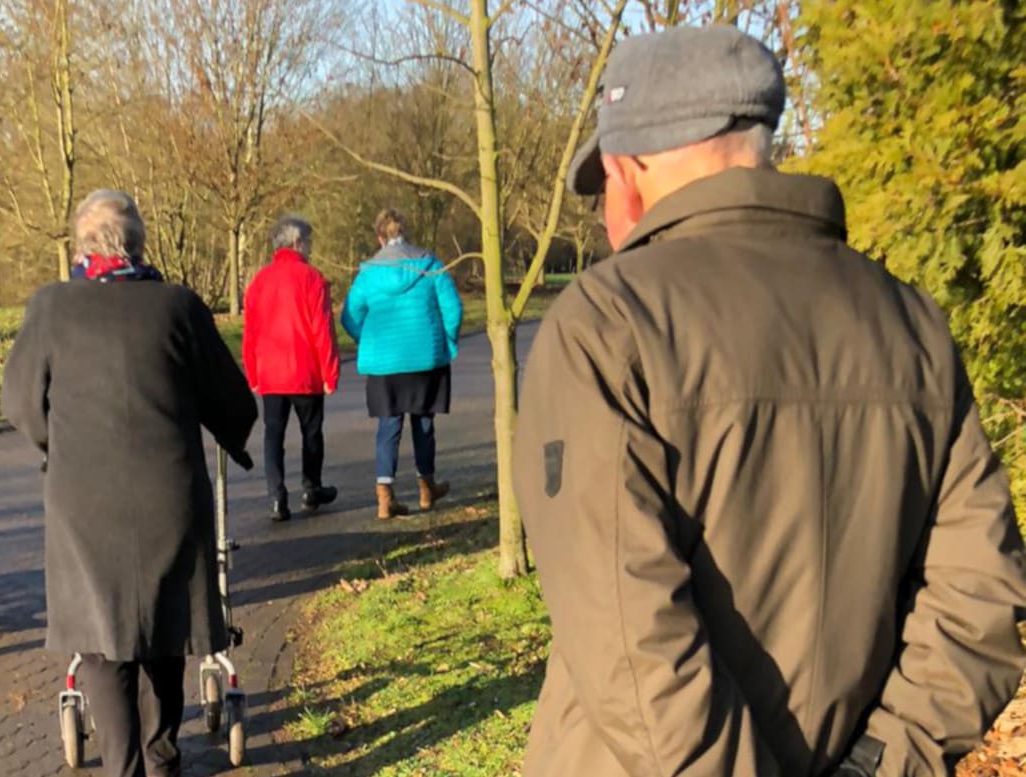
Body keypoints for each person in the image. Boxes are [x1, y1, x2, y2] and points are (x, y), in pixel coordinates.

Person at [513, 25, 1026, 777]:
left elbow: (630, 645)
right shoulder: (912, 324)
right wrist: (885, 761)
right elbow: (980, 597)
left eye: (604, 193)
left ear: (629, 171)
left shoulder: (607, 325)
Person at [1, 189, 257, 777]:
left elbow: (18, 402)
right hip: (168, 493)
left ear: (80, 246)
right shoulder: (178, 307)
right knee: (164, 629)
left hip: (83, 500)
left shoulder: (51, 307)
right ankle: (162, 754)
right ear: (140, 243)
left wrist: (55, 443)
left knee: (99, 634)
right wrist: (226, 432)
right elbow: (233, 403)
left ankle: (122, 765)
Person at [341, 209, 462, 520]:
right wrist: (446, 341)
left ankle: (385, 496)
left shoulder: (367, 273)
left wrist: (367, 341)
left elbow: (350, 317)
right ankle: (426, 488)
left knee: (388, 426)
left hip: (384, 363)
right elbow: (453, 308)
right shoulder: (429, 264)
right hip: (425, 357)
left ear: (380, 237)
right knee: (424, 423)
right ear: (404, 232)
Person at [242, 215, 341, 523]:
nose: (310, 248)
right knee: (311, 432)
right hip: (305, 371)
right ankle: (311, 487)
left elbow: (251, 332)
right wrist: (330, 372)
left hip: (271, 373)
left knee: (274, 435)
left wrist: (253, 373)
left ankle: (277, 496)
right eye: (308, 242)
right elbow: (322, 329)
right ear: (297, 243)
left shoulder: (259, 281)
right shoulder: (312, 278)